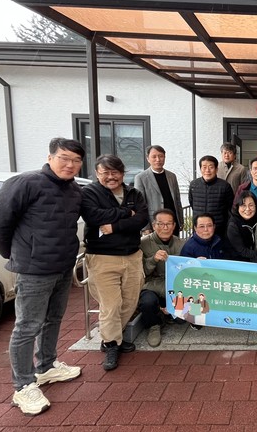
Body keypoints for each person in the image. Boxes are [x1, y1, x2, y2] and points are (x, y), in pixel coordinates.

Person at [0, 138, 85, 416]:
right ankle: (23, 385)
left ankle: (47, 366)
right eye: (64, 158)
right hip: (33, 270)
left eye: (76, 160)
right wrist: (17, 254)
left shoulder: (73, 189)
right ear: (50, 157)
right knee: (27, 327)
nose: (70, 165)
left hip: (63, 266)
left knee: (54, 318)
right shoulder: (25, 183)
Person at [81, 154, 148, 371]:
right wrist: (126, 212)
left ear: (122, 173)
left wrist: (115, 226)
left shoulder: (134, 193)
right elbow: (94, 217)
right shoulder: (90, 192)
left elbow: (142, 219)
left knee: (130, 301)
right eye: (105, 173)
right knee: (111, 305)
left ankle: (114, 336)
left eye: (115, 172)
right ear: (97, 173)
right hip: (103, 257)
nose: (111, 177)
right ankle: (110, 344)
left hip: (132, 255)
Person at [138, 209, 186, 348]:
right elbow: (141, 272)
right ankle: (154, 326)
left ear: (174, 225)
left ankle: (166, 313)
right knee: (148, 302)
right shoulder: (142, 244)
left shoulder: (181, 243)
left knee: (181, 320)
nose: (165, 227)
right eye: (160, 224)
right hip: (151, 286)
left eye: (169, 224)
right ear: (154, 225)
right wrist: (153, 260)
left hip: (174, 286)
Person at [180, 213, 225, 330]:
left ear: (214, 227)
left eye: (209, 226)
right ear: (195, 228)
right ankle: (195, 319)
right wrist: (194, 264)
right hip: (198, 283)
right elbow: (183, 272)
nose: (206, 230)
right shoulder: (189, 247)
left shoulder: (221, 241)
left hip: (218, 281)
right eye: (201, 226)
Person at [133, 145, 184, 236]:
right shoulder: (141, 178)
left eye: (161, 156)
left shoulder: (172, 176)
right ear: (148, 159)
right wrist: (145, 227)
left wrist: (180, 220)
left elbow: (177, 200)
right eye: (154, 157)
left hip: (172, 222)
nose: (158, 159)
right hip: (155, 223)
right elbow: (139, 206)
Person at [189, 155, 234, 238]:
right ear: (200, 169)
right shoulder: (194, 185)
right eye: (204, 167)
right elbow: (192, 204)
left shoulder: (225, 186)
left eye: (211, 167)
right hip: (199, 228)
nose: (207, 170)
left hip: (219, 229)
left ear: (216, 169)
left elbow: (230, 207)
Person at [226, 191, 257, 262]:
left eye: (251, 205)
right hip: (238, 262)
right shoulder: (233, 225)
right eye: (243, 205)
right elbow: (242, 251)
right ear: (238, 207)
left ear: (256, 206)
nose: (247, 209)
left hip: (256, 259)